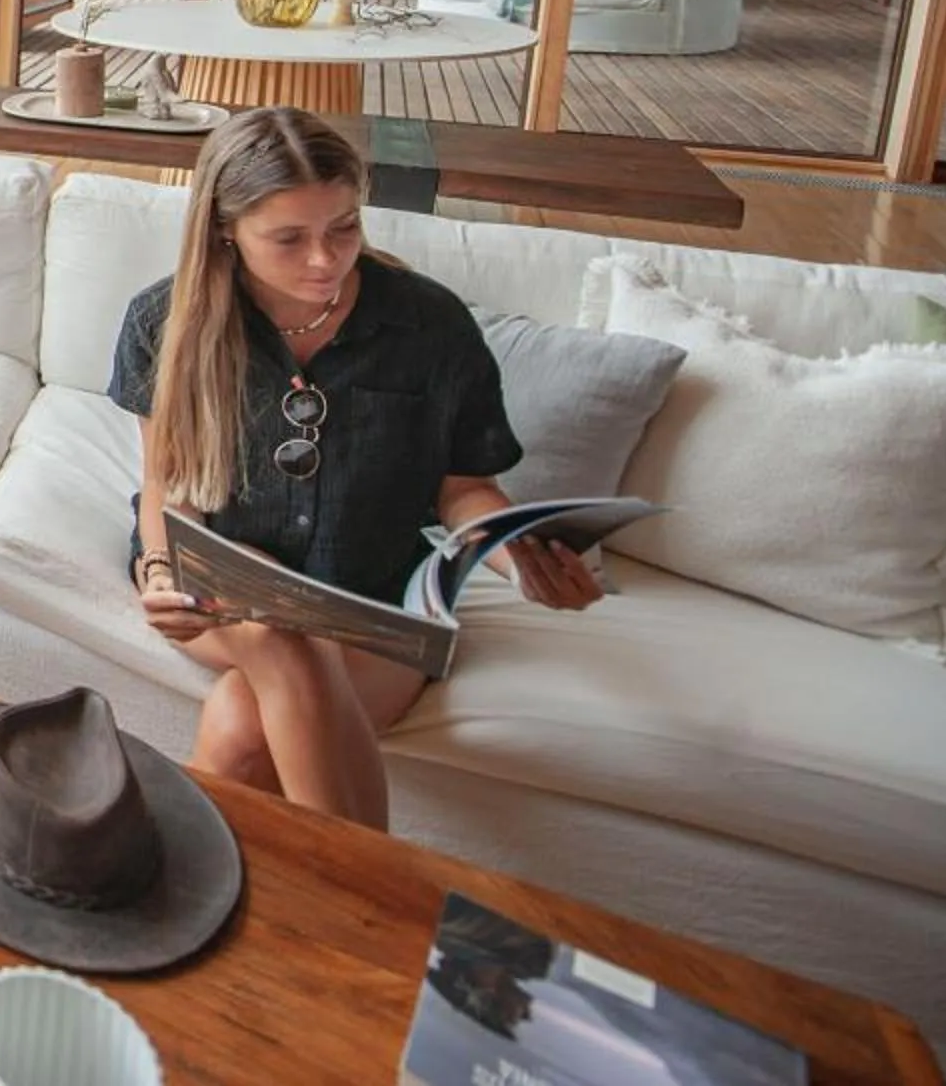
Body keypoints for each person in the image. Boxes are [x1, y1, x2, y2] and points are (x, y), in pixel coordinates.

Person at [113, 105, 601, 830]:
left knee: (242, 727)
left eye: (343, 227)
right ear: (225, 228)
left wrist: (518, 560)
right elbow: (171, 485)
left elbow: (465, 490)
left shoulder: (428, 326)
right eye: (289, 238)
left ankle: (180, 886)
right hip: (218, 583)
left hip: (372, 602)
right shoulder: (167, 322)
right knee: (277, 628)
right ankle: (376, 910)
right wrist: (160, 573)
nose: (325, 259)